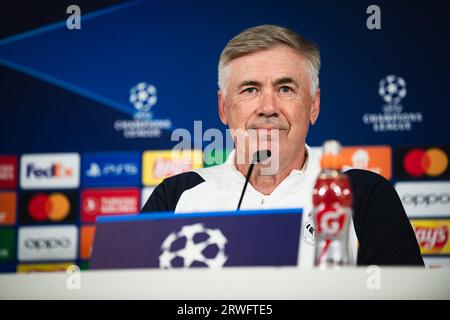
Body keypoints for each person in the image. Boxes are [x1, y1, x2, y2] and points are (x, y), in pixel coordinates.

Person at [142, 25, 424, 266]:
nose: (268, 107)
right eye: (250, 89)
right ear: (223, 107)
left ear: (313, 106)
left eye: (285, 89)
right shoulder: (176, 196)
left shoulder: (364, 194)